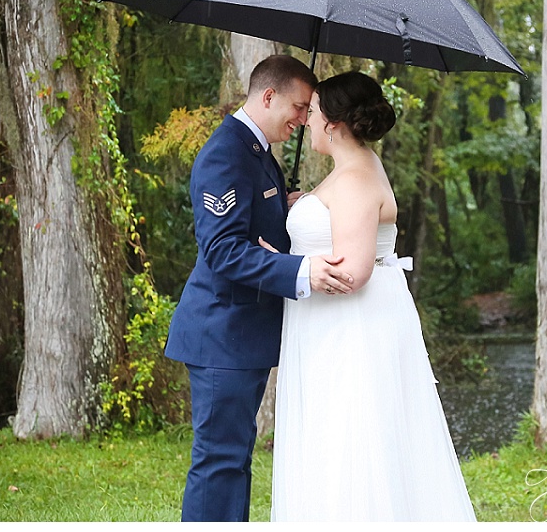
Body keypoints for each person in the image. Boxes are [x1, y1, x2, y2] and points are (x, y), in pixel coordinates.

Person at [267, 71, 477, 521]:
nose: (306, 120)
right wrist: (303, 204)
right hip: (329, 326)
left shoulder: (357, 178)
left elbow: (353, 271)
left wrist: (277, 262)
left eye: (315, 110)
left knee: (350, 438)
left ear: (334, 123)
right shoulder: (352, 169)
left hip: (349, 329)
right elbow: (337, 215)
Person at [165, 55, 354, 522]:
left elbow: (253, 224)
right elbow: (224, 251)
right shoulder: (224, 154)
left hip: (242, 335)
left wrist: (290, 207)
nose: (303, 119)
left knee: (235, 457)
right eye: (299, 106)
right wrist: (300, 272)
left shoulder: (256, 151)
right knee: (219, 461)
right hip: (221, 333)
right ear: (268, 96)